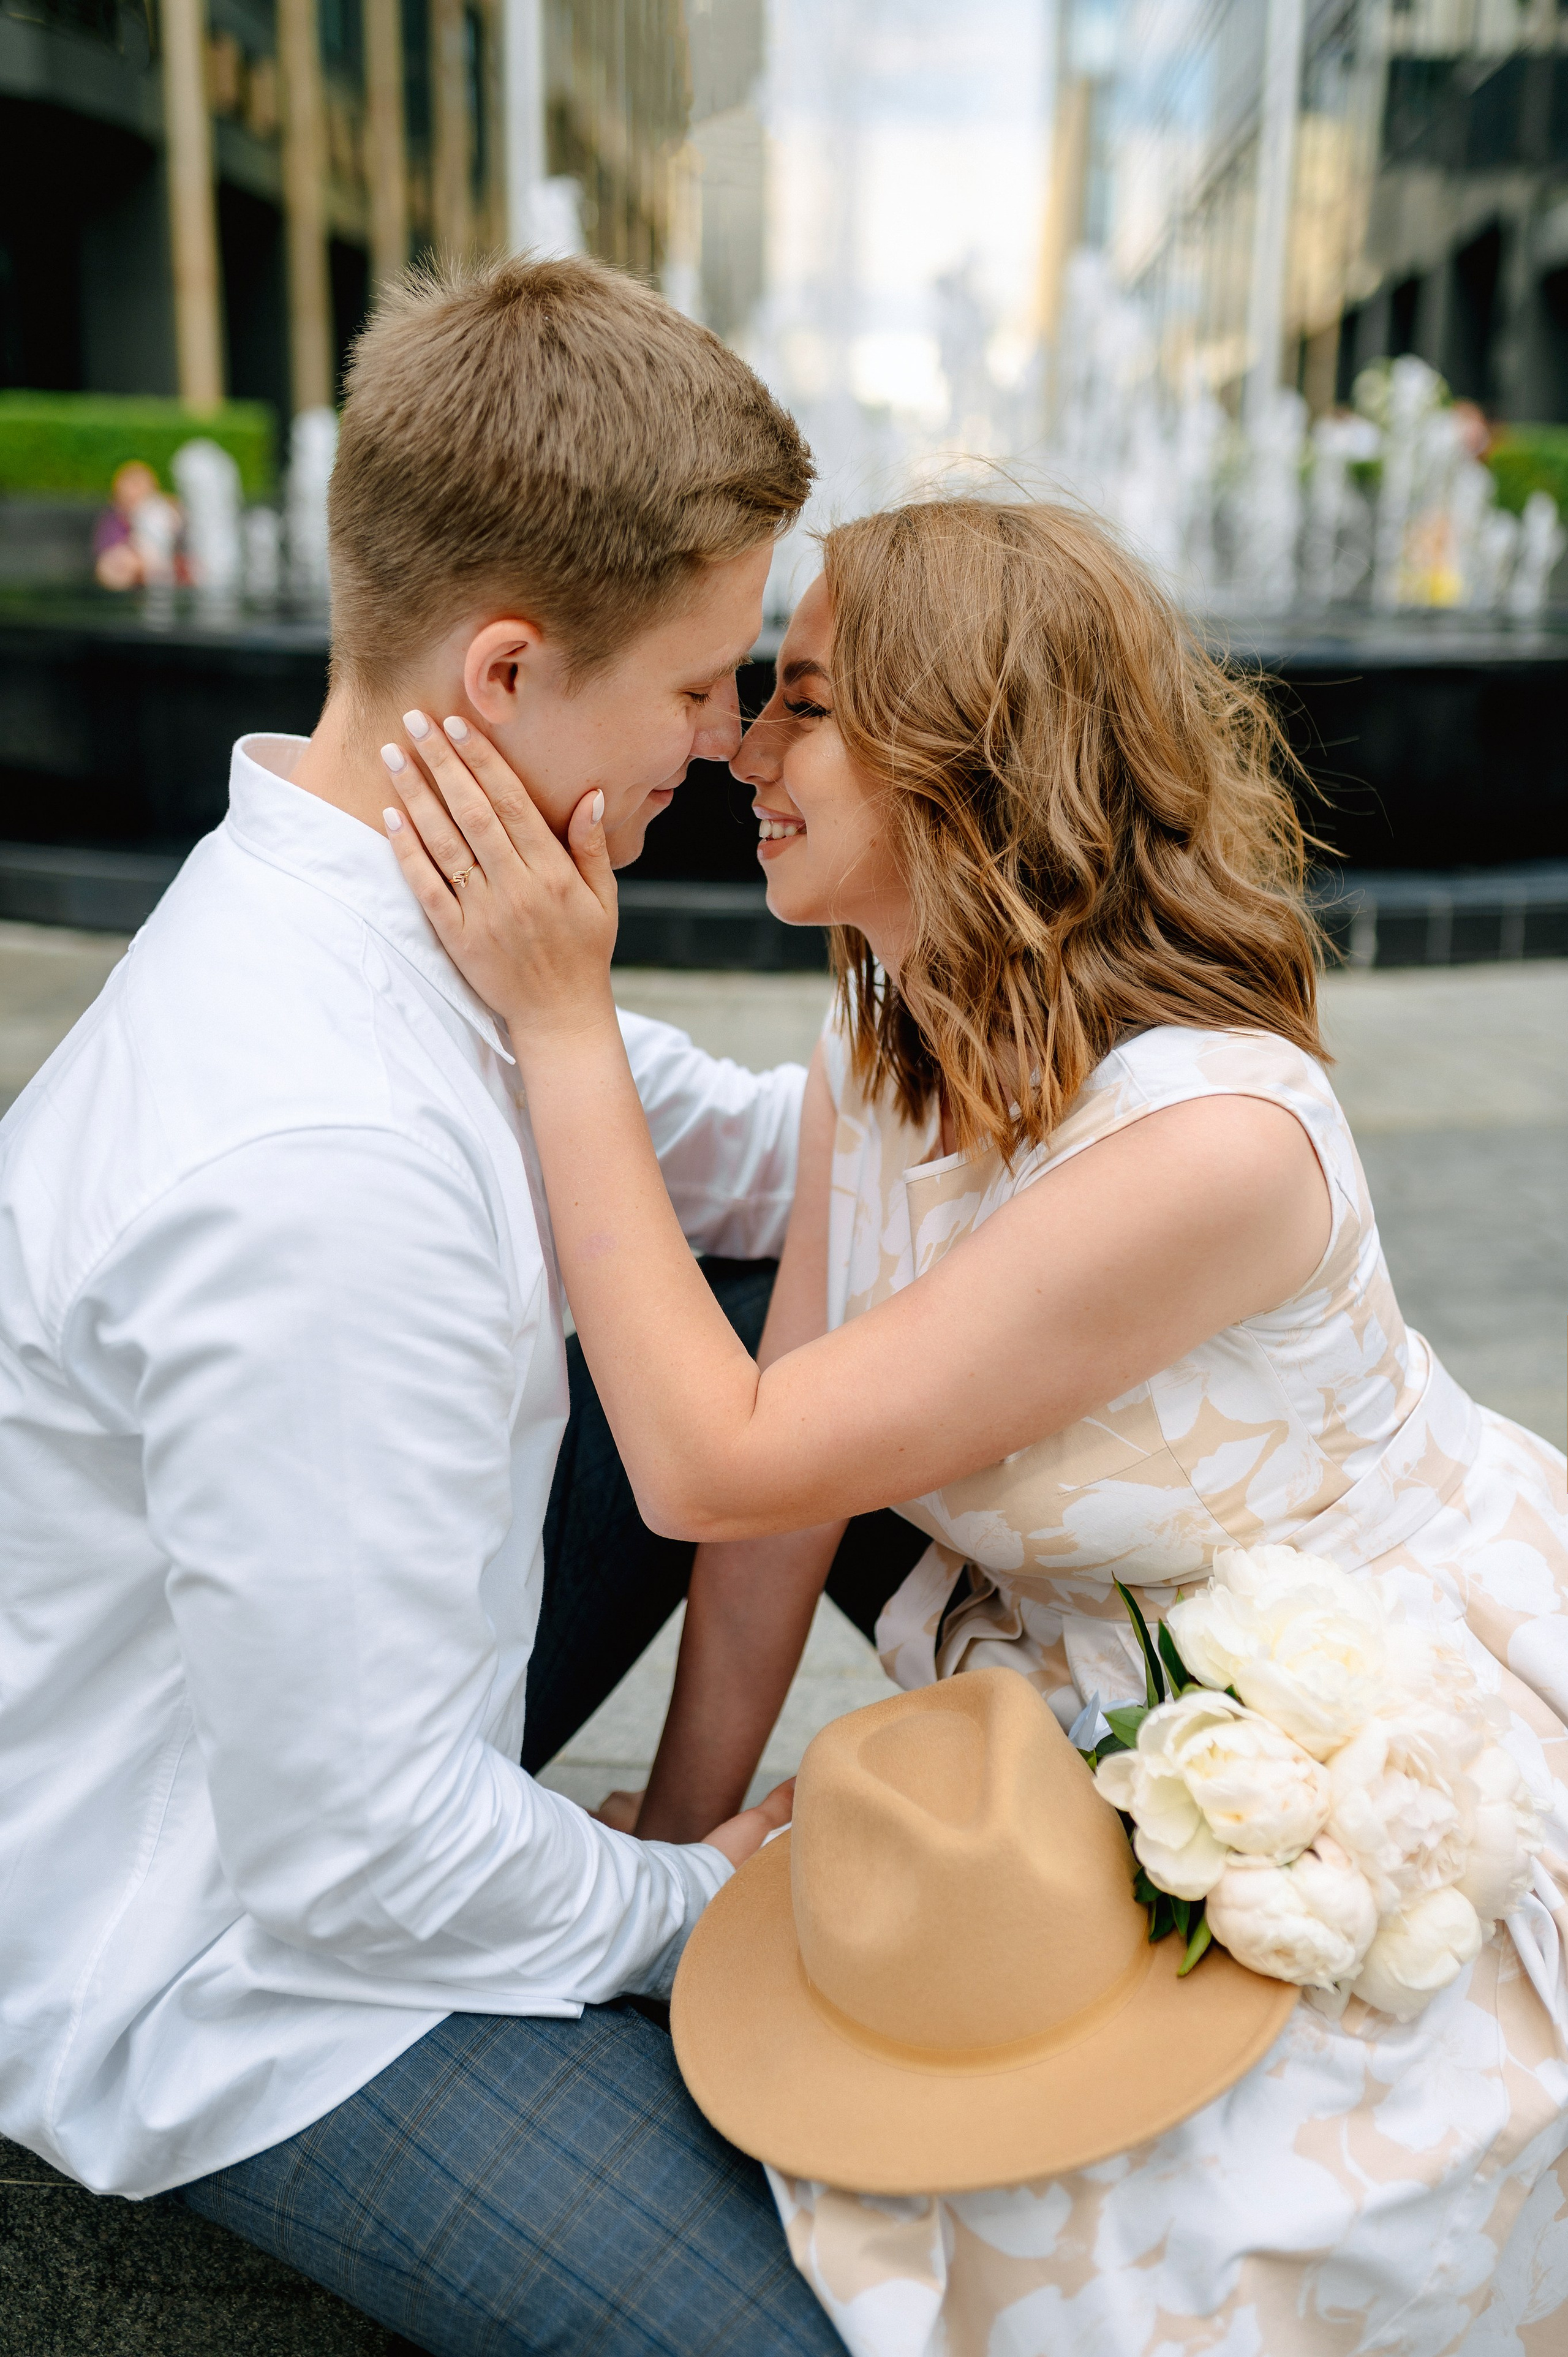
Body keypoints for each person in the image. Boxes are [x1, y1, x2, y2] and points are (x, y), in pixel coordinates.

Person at [379, 494, 1568, 2356]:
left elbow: (715, 1453)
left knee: (1179, 2243)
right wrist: (686, 1844)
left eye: (803, 704)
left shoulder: (1211, 1144)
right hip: (1091, 1673)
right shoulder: (890, 1025)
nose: (739, 751)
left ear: (970, 754)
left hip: (1366, 1715)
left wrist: (561, 1017)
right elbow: (782, 1499)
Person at [0, 254, 850, 2357]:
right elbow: (362, 1865)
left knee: (790, 1271)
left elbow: (767, 1168)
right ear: (501, 674)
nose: (730, 745)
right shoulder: (322, 1165)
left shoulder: (420, 908)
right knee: (830, 2334)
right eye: (694, 689)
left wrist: (1102, 1097)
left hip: (336, 1737)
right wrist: (700, 1900)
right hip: (220, 1956)